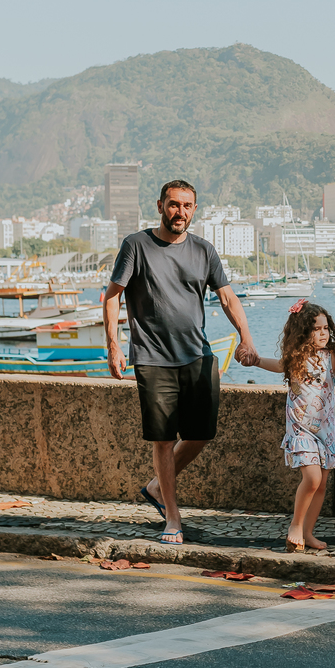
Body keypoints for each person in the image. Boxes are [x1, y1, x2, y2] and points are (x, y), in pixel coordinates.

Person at [104, 179, 258, 544]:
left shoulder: (204, 250)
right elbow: (112, 297)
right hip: (153, 357)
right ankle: (172, 518)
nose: (180, 212)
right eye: (174, 204)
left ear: (194, 210)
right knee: (163, 439)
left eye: (187, 206)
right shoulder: (136, 245)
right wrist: (113, 345)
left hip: (198, 356)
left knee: (201, 433)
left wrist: (246, 338)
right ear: (160, 206)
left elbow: (228, 298)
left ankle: (157, 486)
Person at [249, 300, 335, 551]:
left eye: (326, 328)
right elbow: (277, 366)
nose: (323, 333)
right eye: (316, 329)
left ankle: (308, 533)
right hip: (300, 429)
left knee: (322, 484)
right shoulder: (296, 357)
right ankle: (295, 526)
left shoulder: (333, 356)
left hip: (326, 431)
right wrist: (255, 361)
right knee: (313, 478)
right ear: (303, 332)